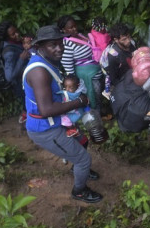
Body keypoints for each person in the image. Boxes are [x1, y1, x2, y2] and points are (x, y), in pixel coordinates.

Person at [23, 25, 102, 204]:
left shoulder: (47, 61)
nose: (59, 49)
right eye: (53, 45)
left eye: (61, 43)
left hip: (58, 121)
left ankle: (79, 167)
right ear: (40, 46)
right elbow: (46, 110)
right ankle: (79, 190)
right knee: (84, 159)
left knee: (82, 140)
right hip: (45, 128)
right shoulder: (39, 72)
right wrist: (79, 102)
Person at [58, 15, 103, 110]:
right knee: (94, 98)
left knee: (99, 95)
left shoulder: (80, 36)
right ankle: (96, 117)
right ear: (63, 30)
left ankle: (100, 111)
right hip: (87, 79)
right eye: (71, 28)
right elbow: (69, 70)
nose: (75, 29)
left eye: (75, 26)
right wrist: (77, 86)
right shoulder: (66, 45)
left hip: (96, 71)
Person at [0, 21, 31, 123]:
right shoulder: (9, 53)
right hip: (20, 85)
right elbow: (9, 76)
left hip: (26, 80)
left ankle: (26, 116)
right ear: (7, 37)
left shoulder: (15, 42)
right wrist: (21, 59)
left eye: (16, 31)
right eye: (13, 34)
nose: (17, 34)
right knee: (29, 103)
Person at [101, 22, 136, 90]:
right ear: (116, 40)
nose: (128, 41)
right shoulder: (113, 56)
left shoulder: (132, 43)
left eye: (129, 37)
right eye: (124, 39)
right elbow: (114, 80)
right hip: (122, 78)